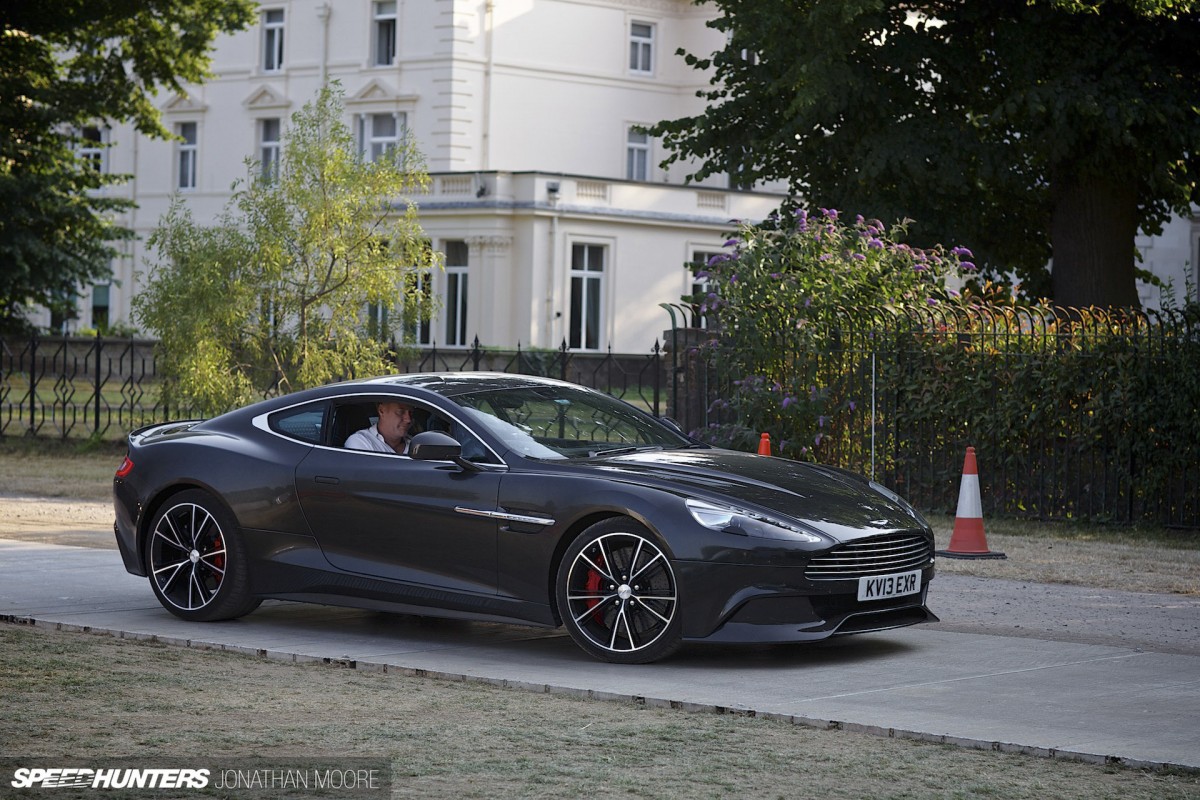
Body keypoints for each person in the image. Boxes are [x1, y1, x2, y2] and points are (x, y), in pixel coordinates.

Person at [344, 402, 413, 454]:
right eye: (400, 412)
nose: (408, 419)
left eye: (410, 413)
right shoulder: (360, 442)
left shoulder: (415, 443)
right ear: (381, 410)